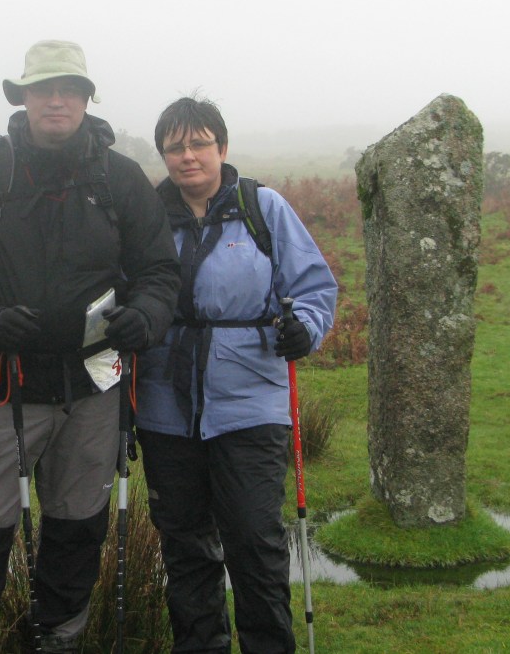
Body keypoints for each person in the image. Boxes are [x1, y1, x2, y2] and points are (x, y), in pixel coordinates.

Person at [0, 40, 180, 654]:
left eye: (69, 89)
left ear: (87, 100)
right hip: (2, 385)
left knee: (77, 525)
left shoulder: (120, 179)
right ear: (24, 98)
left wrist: (147, 314)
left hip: (96, 385)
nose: (56, 99)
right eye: (43, 89)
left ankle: (59, 637)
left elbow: (159, 271)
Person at [135, 97, 338, 654]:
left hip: (250, 404)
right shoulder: (146, 218)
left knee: (254, 542)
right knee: (184, 549)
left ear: (222, 148)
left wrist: (306, 327)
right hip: (164, 409)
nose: (187, 156)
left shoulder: (262, 208)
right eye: (174, 147)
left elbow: (315, 287)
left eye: (199, 143)